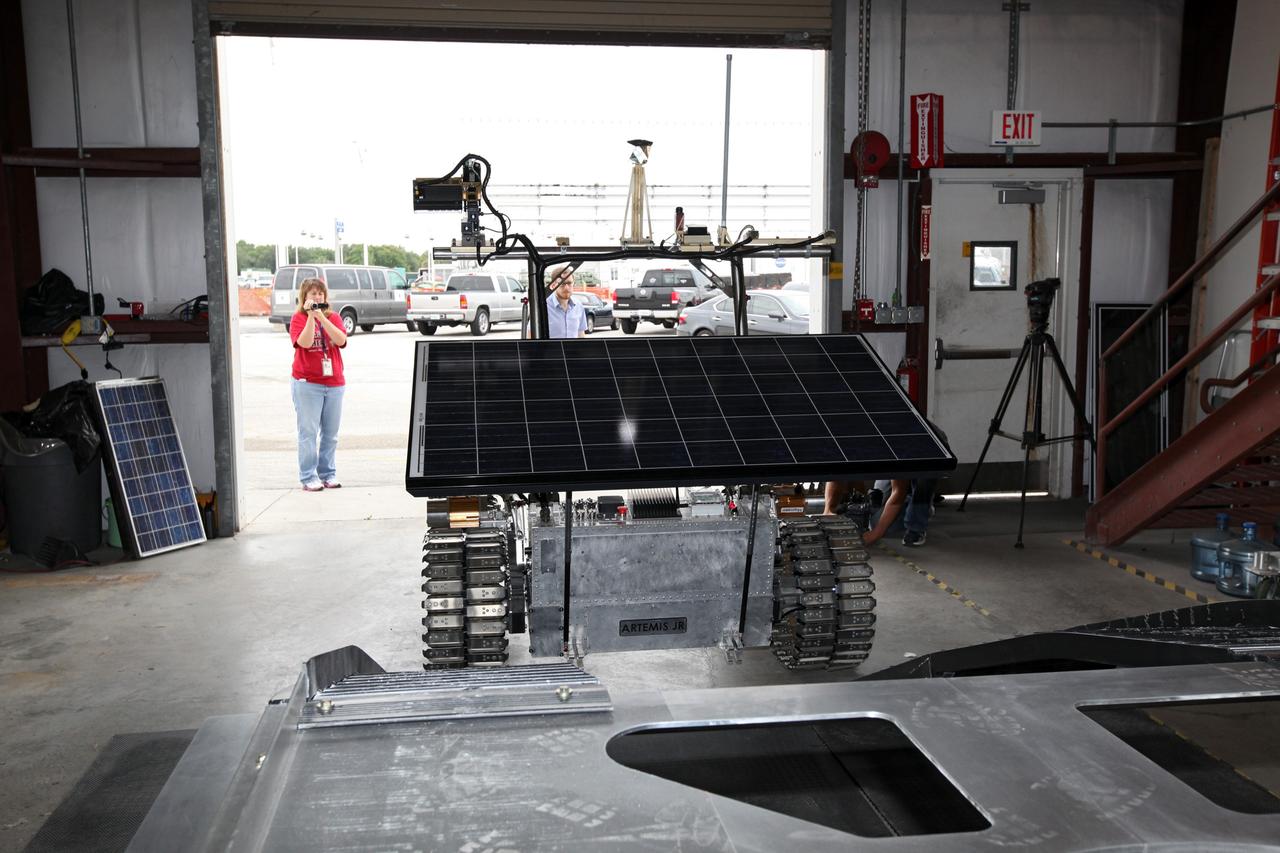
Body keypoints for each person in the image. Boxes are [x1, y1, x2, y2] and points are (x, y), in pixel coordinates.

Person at [289, 277, 348, 491]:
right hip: (307, 383)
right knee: (308, 433)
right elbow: (303, 343)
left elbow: (341, 340)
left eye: (320, 293)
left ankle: (328, 474)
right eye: (312, 293)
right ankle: (308, 476)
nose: (317, 297)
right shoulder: (298, 319)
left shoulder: (333, 317)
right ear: (304, 297)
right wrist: (311, 317)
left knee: (331, 434)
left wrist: (321, 316)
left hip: (334, 382)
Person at [545, 264, 587, 339]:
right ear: (553, 285)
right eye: (562, 284)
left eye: (569, 283)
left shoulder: (578, 306)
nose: (567, 287)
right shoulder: (544, 307)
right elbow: (531, 335)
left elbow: (581, 335)